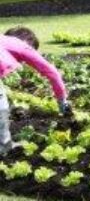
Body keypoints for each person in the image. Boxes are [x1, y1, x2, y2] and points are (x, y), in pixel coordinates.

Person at [1, 27, 70, 155]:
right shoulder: (22, 45)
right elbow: (52, 73)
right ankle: (4, 146)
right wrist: (62, 100)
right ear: (28, 42)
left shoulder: (4, 41)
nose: (22, 61)